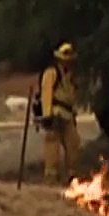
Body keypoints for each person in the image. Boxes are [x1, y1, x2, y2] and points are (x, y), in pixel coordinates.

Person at [39, 42, 80, 183]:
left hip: (67, 114)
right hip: (55, 113)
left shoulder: (70, 76)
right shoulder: (51, 73)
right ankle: (51, 175)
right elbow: (46, 93)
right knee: (52, 145)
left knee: (73, 143)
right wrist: (47, 114)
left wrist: (74, 113)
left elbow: (72, 96)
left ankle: (72, 174)